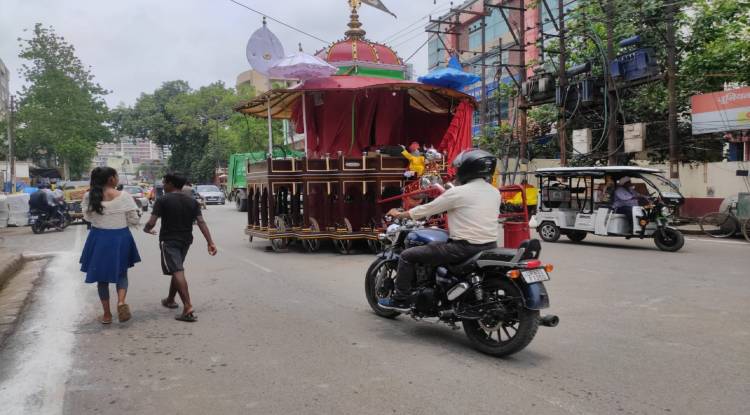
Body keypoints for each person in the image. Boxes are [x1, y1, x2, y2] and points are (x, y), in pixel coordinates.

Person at [379, 149, 500, 309]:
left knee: (408, 256)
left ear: (466, 169)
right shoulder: (494, 192)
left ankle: (400, 299)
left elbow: (427, 209)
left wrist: (401, 214)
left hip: (463, 248)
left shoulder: (458, 193)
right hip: (490, 245)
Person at [143, 172, 217, 322]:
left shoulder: (162, 200)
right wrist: (210, 242)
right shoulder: (192, 202)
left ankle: (188, 306)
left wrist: (146, 229)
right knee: (177, 268)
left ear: (170, 184)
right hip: (186, 240)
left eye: (164, 183)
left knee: (177, 270)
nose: (163, 186)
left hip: (169, 240)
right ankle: (170, 299)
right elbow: (201, 222)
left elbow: (152, 221)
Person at [79, 167, 142, 324]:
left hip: (99, 237)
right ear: (111, 179)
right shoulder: (124, 196)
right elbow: (134, 220)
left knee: (102, 279)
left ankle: (107, 315)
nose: (117, 178)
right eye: (116, 176)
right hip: (121, 237)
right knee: (121, 273)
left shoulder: (89, 196)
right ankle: (121, 302)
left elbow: (87, 217)